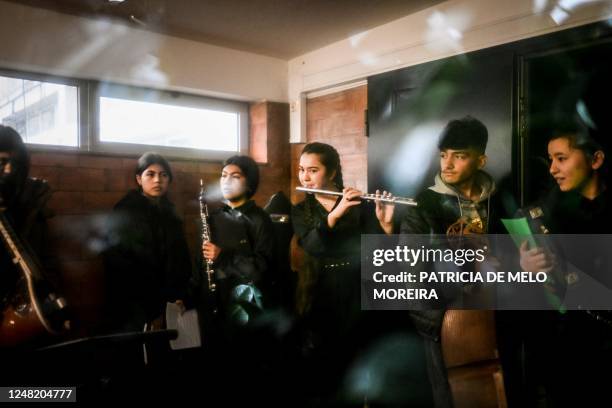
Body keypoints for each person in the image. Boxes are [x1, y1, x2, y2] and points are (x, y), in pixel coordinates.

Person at [400, 116, 505, 408]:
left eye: (459, 156)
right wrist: (437, 326)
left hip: (498, 321)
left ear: (481, 160)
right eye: (444, 155)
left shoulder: (500, 200)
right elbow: (412, 277)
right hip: (448, 325)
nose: (447, 164)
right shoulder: (424, 206)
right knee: (450, 398)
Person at [291, 142, 398, 404]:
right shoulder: (301, 210)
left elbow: (381, 255)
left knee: (360, 366)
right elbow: (312, 246)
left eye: (313, 170)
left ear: (332, 171)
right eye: (302, 170)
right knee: (326, 369)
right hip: (319, 292)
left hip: (357, 290)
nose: (305, 176)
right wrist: (336, 213)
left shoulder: (359, 204)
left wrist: (386, 225)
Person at [517, 125, 612, 407]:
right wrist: (525, 268)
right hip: (568, 350)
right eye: (550, 160)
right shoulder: (541, 217)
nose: (552, 169)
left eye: (562, 158)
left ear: (595, 160)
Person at [103, 152, 192, 333]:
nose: (157, 180)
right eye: (150, 174)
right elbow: (120, 264)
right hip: (136, 305)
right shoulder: (125, 212)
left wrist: (181, 296)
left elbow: (181, 259)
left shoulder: (171, 214)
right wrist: (152, 309)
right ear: (139, 179)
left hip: (171, 301)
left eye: (163, 175)